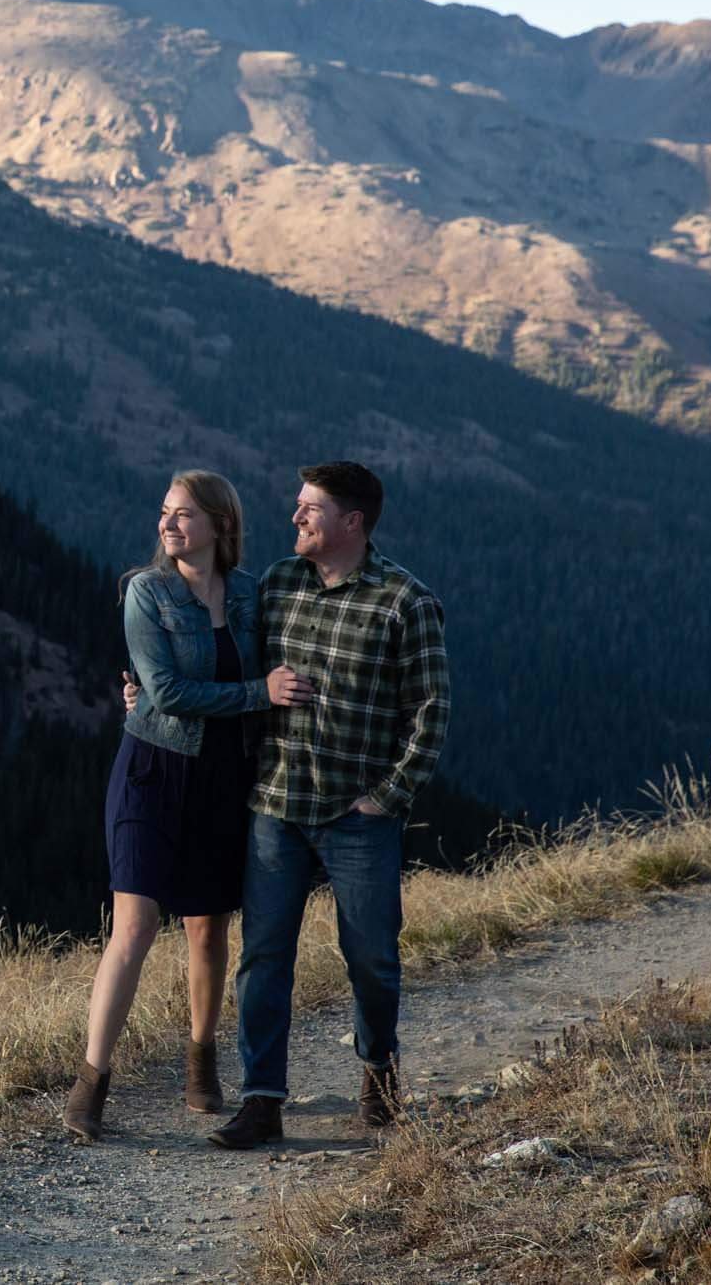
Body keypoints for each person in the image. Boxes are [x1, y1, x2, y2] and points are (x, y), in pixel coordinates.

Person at [205, 461, 450, 1150]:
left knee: (371, 955)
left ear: (352, 521)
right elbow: (220, 647)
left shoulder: (406, 601)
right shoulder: (279, 583)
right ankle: (262, 1100)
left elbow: (430, 712)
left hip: (357, 814)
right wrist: (149, 685)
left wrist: (389, 797)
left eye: (310, 508)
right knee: (263, 954)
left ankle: (377, 1067)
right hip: (276, 803)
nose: (295, 518)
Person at [62, 469, 299, 1143]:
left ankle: (200, 1057)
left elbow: (292, 648)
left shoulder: (253, 594)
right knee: (133, 927)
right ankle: (92, 1079)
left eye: (185, 514)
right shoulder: (147, 591)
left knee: (207, 929)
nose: (169, 524)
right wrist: (260, 693)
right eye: (166, 512)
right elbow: (164, 691)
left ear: (222, 526)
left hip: (225, 779)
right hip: (151, 772)